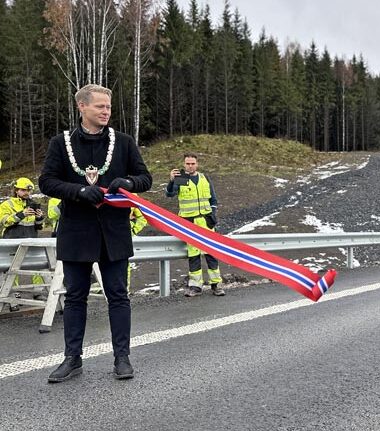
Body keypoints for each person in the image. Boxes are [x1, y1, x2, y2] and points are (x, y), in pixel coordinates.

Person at [39, 84, 152, 382]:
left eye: (109, 107)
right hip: (76, 233)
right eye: (100, 106)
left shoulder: (124, 142)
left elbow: (145, 178)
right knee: (76, 296)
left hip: (113, 234)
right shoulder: (60, 143)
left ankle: (122, 358)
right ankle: (72, 359)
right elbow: (47, 182)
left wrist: (127, 182)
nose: (106, 112)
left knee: (118, 295)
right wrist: (77, 191)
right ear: (82, 107)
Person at [166, 153, 225, 297]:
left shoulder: (205, 178)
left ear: (197, 164)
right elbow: (169, 194)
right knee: (194, 255)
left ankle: (216, 284)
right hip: (189, 223)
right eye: (188, 163)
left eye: (193, 163)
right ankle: (195, 287)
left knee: (211, 253)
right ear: (184, 164)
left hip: (206, 222)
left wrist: (213, 215)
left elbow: (213, 199)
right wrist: (171, 181)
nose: (190, 166)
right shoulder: (181, 178)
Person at [0, 177, 46, 309]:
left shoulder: (32, 203)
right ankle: (13, 293)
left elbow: (38, 226)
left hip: (31, 239)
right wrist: (21, 214)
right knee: (13, 268)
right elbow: (5, 222)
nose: (26, 193)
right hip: (12, 240)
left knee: (37, 267)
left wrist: (39, 218)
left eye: (28, 191)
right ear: (16, 190)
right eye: (23, 190)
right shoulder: (6, 205)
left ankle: (38, 292)